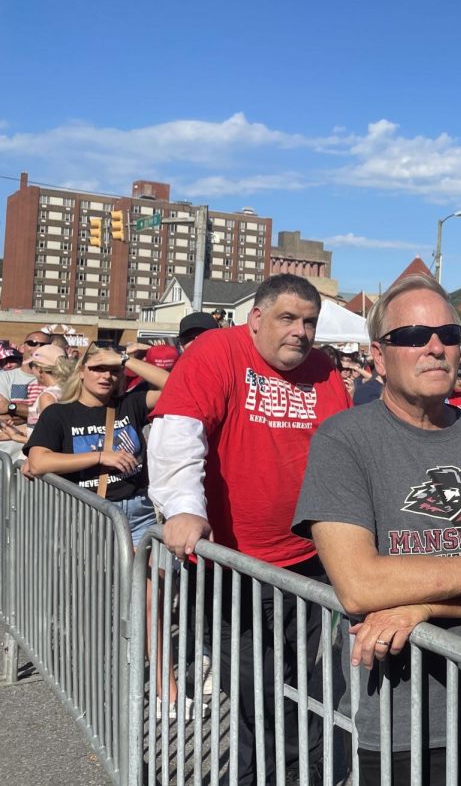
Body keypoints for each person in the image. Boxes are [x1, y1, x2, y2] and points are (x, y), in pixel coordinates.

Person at [293, 275, 461, 785]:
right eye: (413, 336)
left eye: (447, 333)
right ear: (379, 357)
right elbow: (361, 586)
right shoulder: (344, 439)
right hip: (397, 717)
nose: (435, 347)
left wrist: (423, 605)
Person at [148, 274, 352, 786]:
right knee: (257, 690)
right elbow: (179, 431)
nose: (300, 332)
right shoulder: (218, 350)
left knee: (297, 685)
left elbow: (346, 452)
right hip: (229, 565)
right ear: (255, 318)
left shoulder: (324, 369)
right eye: (288, 318)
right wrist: (182, 506)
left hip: (304, 562)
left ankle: (281, 772)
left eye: (309, 321)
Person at [25, 342, 169, 543]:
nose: (106, 376)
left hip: (139, 512)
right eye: (97, 368)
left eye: (113, 370)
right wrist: (100, 457)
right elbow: (38, 463)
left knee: (150, 574)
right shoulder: (58, 414)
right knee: (100, 575)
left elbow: (176, 386)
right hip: (90, 513)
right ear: (81, 372)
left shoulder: (130, 404)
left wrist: (125, 359)